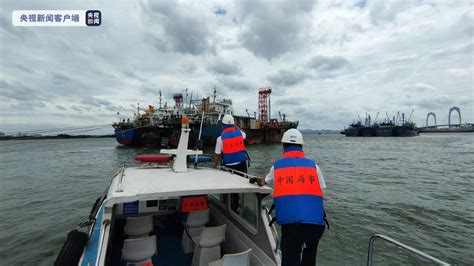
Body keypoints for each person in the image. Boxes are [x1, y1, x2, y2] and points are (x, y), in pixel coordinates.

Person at [252, 129, 326, 266]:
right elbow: (320, 192)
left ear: (284, 146)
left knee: (290, 259)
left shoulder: (277, 167)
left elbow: (264, 181)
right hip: (314, 225)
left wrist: (256, 180)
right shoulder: (314, 166)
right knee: (310, 259)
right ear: (301, 147)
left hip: (291, 226)